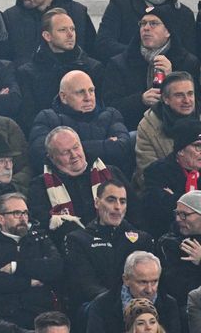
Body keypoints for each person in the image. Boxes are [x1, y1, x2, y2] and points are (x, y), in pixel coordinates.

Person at [28, 126, 140, 250]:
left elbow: (136, 213)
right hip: (73, 250)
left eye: (76, 147)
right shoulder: (40, 186)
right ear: (51, 157)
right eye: (65, 152)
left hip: (119, 244)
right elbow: (45, 229)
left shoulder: (111, 173)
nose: (74, 155)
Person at [63, 180, 153, 321]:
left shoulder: (142, 239)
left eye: (122, 202)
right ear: (97, 203)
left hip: (137, 304)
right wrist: (121, 303)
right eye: (111, 200)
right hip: (99, 306)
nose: (117, 207)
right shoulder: (78, 239)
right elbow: (86, 285)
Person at [0, 192, 63, 329]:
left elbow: (55, 267)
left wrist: (16, 267)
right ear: (1, 219)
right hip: (3, 317)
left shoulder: (41, 240)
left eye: (25, 213)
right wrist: (29, 282)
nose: (23, 218)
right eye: (16, 213)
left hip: (43, 314)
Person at [102, 5, 200, 131]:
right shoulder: (119, 64)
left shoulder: (188, 62)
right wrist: (140, 99)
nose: (146, 28)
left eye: (153, 23)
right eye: (143, 24)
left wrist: (173, 77)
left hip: (179, 129)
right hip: (133, 128)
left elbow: (196, 103)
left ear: (168, 31)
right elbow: (110, 106)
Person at [17, 7, 103, 134]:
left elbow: (103, 110)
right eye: (62, 30)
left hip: (91, 134)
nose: (70, 34)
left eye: (72, 29)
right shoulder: (28, 73)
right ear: (47, 36)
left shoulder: (93, 68)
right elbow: (29, 119)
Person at [29, 70, 130, 175]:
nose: (88, 97)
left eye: (91, 91)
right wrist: (107, 145)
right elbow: (40, 155)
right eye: (80, 92)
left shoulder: (111, 115)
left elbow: (122, 149)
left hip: (109, 179)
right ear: (63, 97)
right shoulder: (47, 118)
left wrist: (65, 150)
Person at [4, 0, 95, 64]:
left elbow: (92, 53)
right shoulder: (10, 17)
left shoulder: (77, 14)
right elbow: (6, 62)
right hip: (26, 79)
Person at [86, 251, 180, 333]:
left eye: (154, 281)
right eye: (143, 282)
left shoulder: (169, 305)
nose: (149, 289)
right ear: (126, 279)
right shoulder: (102, 305)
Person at [134, 71, 198, 190]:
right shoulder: (148, 126)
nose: (187, 100)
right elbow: (146, 174)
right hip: (168, 193)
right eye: (179, 95)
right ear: (165, 99)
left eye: (190, 94)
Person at [142, 120, 201, 238]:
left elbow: (170, 204)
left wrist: (174, 197)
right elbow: (159, 212)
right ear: (180, 150)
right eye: (198, 146)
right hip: (170, 237)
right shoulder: (157, 171)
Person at [157, 191, 201, 326]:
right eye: (177, 213)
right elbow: (173, 287)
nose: (178, 219)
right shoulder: (168, 243)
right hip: (179, 310)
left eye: (184, 215)